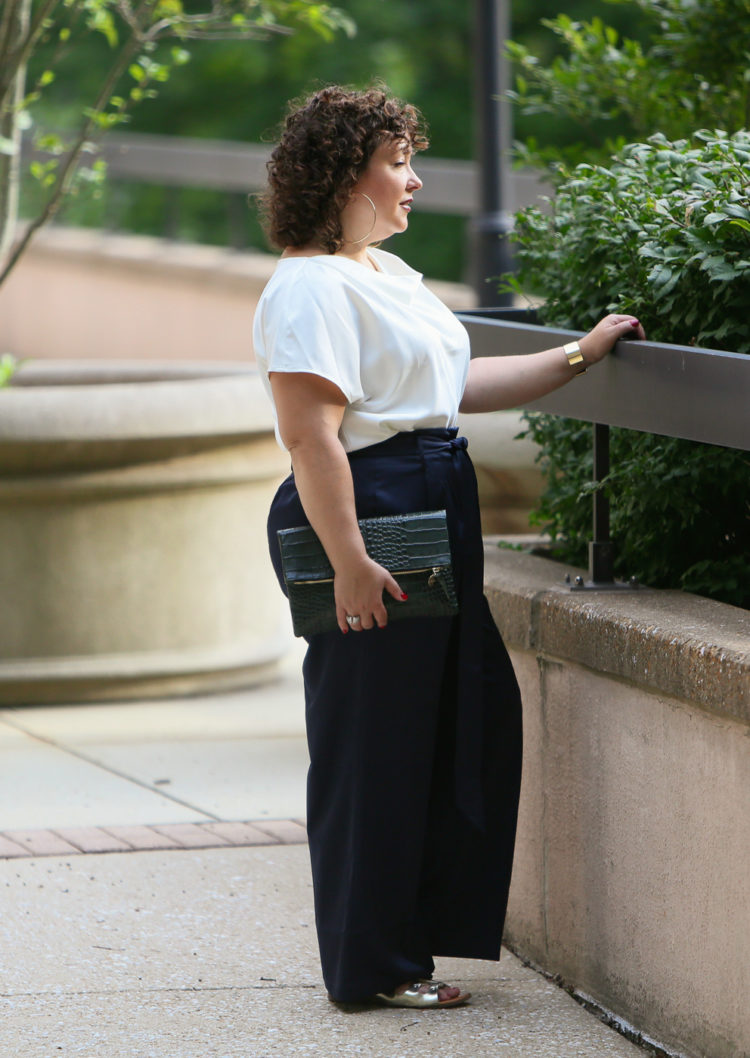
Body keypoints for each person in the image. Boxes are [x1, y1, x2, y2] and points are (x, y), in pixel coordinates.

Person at [253, 85, 645, 1009]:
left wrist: (581, 356)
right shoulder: (309, 285)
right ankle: (372, 968)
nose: (415, 179)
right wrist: (349, 558)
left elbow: (457, 384)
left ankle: (406, 949)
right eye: (396, 161)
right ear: (344, 174)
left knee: (439, 732)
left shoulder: (384, 277)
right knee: (372, 745)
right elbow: (312, 435)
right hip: (373, 511)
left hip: (429, 500)